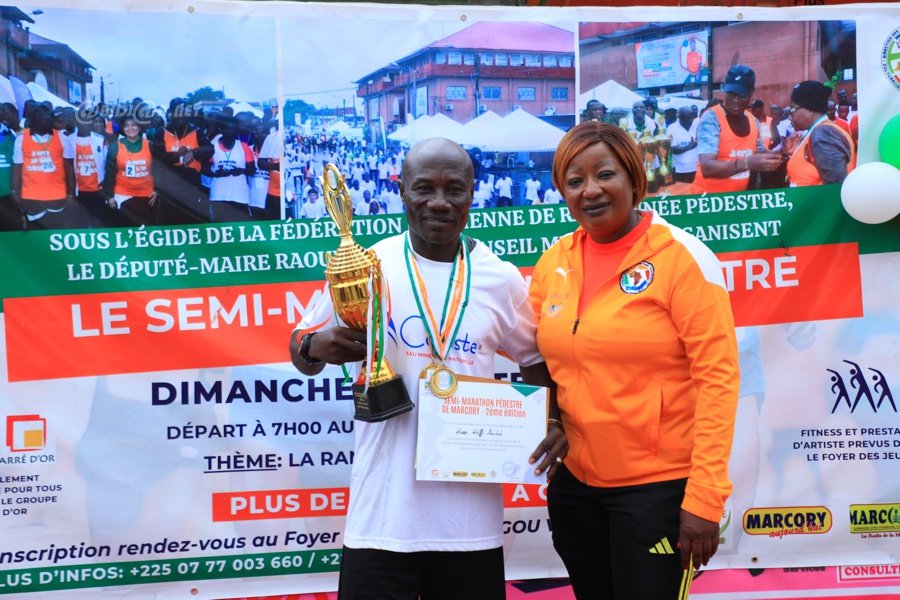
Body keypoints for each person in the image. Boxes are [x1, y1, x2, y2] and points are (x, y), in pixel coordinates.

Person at [289, 137, 566, 600]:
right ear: (401, 190)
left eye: (454, 189)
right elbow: (301, 349)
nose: (439, 202)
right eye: (424, 188)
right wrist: (314, 346)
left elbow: (536, 359)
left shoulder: (499, 277)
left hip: (468, 525)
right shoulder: (367, 267)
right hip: (381, 518)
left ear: (472, 193)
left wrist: (551, 419)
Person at [530, 121, 739, 599]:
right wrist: (551, 417)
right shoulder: (554, 262)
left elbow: (719, 380)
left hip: (658, 492)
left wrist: (704, 498)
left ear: (633, 177)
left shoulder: (681, 258)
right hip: (576, 487)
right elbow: (540, 355)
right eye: (575, 181)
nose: (590, 190)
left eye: (605, 174)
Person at [691, 64, 782, 194]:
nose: (735, 100)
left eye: (742, 95)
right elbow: (707, 167)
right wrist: (746, 163)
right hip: (708, 199)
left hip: (736, 200)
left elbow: (761, 154)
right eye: (731, 94)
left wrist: (784, 152)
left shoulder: (753, 121)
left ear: (751, 93)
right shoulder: (712, 118)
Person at [11, 103, 76, 230]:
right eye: (41, 116)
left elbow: (69, 170)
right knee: (36, 234)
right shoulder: (21, 139)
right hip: (31, 197)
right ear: (32, 120)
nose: (45, 118)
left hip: (57, 196)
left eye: (48, 115)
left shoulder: (62, 138)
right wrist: (15, 192)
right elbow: (17, 169)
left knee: (57, 233)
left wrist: (71, 194)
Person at [783, 80, 856, 187]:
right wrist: (794, 153)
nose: (790, 116)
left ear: (810, 110)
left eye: (793, 109)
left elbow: (834, 189)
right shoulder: (820, 131)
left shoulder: (823, 134)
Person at [103, 116, 157, 227]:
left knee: (144, 231)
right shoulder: (115, 147)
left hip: (146, 196)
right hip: (123, 195)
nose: (130, 128)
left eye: (133, 125)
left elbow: (158, 171)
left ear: (139, 127)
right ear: (123, 128)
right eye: (126, 126)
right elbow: (109, 174)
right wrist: (109, 196)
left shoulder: (149, 145)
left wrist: (156, 190)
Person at [206, 115, 255, 222]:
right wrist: (216, 173)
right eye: (228, 129)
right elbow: (204, 170)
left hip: (240, 196)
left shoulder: (243, 146)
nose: (231, 132)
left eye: (234, 129)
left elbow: (252, 170)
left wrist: (241, 171)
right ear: (221, 130)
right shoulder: (212, 146)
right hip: (218, 195)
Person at [669, 106, 699, 183]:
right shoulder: (672, 128)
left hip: (697, 170)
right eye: (687, 118)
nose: (691, 120)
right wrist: (688, 147)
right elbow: (672, 149)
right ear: (680, 118)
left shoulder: (697, 125)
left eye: (692, 117)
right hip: (679, 171)